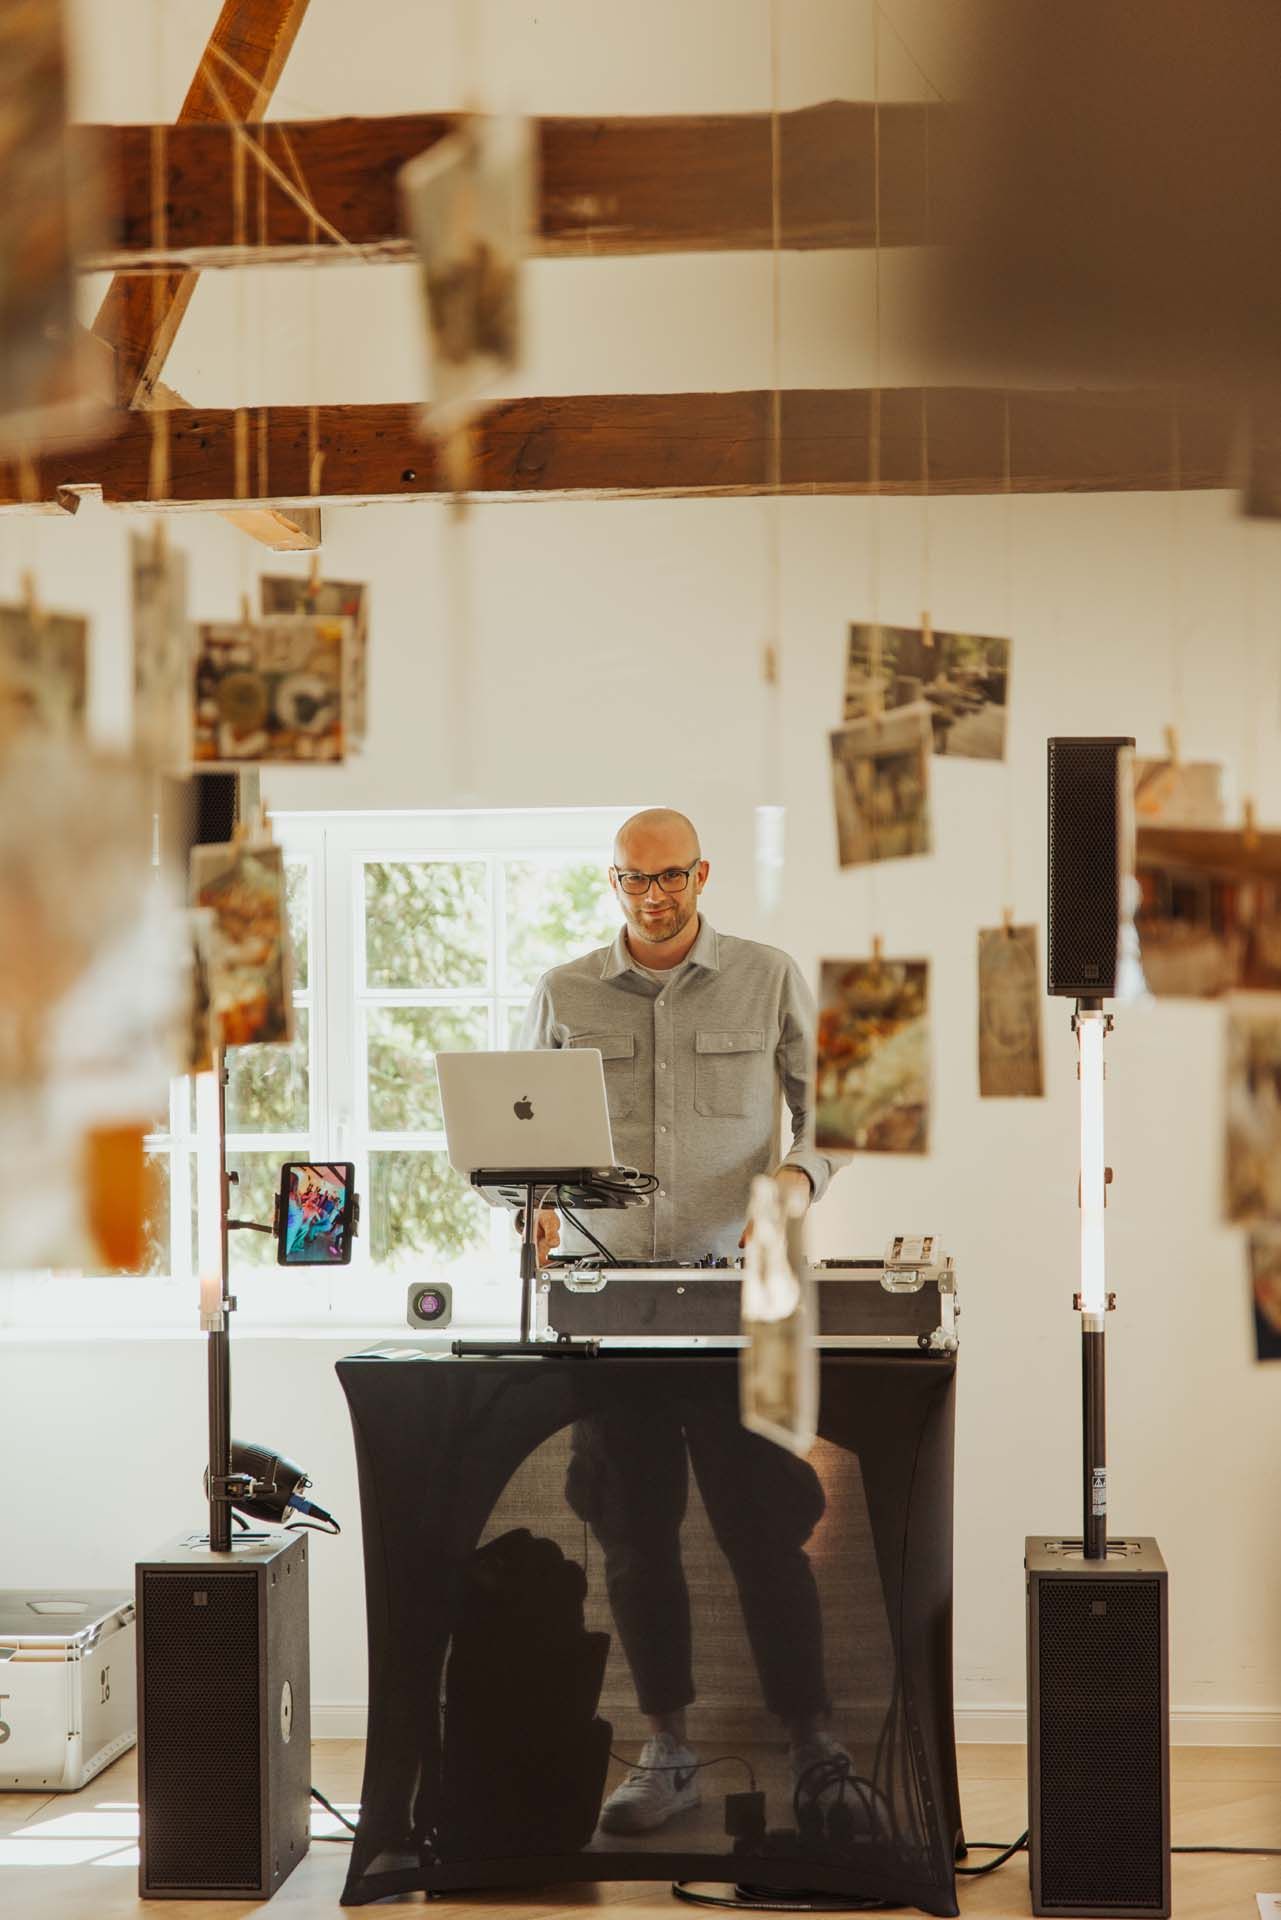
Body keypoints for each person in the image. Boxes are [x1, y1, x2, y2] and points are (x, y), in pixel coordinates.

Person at [516, 808, 844, 1835]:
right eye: (631, 880)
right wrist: (533, 1207)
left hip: (744, 1307)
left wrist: (793, 1175)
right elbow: (522, 1130)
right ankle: (666, 1750)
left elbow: (835, 1107)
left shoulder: (770, 974)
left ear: (702, 873)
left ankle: (816, 1743)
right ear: (611, 882)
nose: (652, 898)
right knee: (634, 1541)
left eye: (669, 878)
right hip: (613, 1307)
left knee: (766, 1535)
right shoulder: (564, 991)